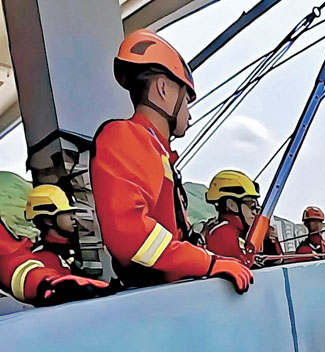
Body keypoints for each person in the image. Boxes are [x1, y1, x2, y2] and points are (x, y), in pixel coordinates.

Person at [91, 29, 251, 293]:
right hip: (154, 301)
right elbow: (130, 238)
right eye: (186, 99)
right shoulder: (125, 137)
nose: (189, 114)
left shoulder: (155, 151)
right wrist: (208, 263)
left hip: (168, 296)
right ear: (163, 89)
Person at [1, 215, 110, 306]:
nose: (74, 218)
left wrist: (44, 284)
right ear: (48, 220)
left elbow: (9, 258)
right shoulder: (45, 254)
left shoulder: (67, 250)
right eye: (67, 213)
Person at [204, 170, 282, 267]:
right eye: (251, 206)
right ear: (232, 205)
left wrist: (269, 242)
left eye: (257, 208)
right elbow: (245, 267)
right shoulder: (222, 233)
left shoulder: (240, 235)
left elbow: (276, 263)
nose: (255, 212)